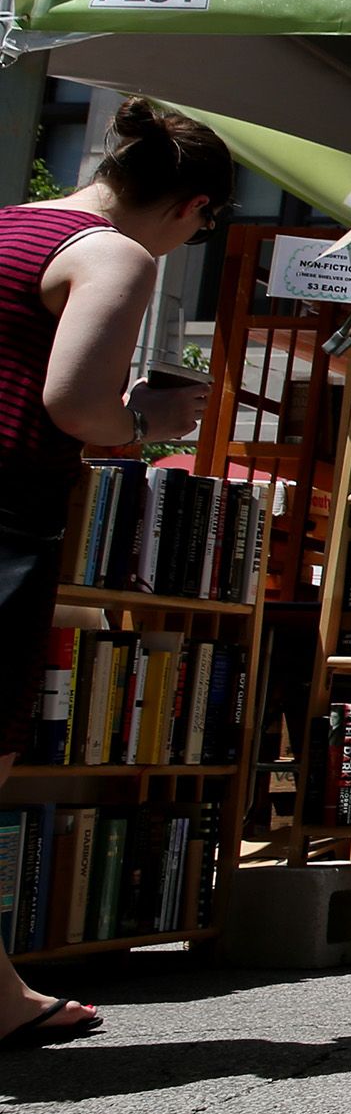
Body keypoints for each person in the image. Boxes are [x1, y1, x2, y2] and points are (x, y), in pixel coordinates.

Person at [0, 98, 230, 1051]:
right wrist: (149, 422)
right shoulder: (113, 254)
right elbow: (73, 404)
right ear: (193, 209)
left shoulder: (13, 224)